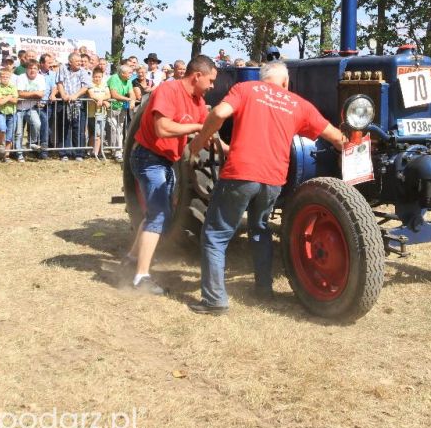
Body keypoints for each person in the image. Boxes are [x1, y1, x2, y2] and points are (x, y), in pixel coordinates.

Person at [187, 60, 345, 314]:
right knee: (260, 230)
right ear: (285, 82)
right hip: (273, 180)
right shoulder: (298, 103)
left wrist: (198, 144)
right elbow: (337, 138)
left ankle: (215, 300)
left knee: (215, 235)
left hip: (241, 173)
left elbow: (218, 114)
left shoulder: (246, 89)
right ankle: (263, 289)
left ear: (264, 79)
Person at [124, 54, 217, 295]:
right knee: (159, 215)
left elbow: (209, 137)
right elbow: (162, 128)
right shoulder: (168, 90)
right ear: (197, 76)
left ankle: (133, 259)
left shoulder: (197, 101)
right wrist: (198, 128)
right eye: (211, 80)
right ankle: (140, 278)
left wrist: (232, 150)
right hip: (148, 158)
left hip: (167, 161)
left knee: (157, 211)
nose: (213, 86)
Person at [56, 52, 91, 161]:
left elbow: (86, 86)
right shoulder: (62, 68)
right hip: (64, 103)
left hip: (78, 104)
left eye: (81, 61)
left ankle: (79, 153)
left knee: (79, 129)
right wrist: (63, 95)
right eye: (77, 61)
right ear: (70, 62)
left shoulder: (84, 71)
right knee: (64, 128)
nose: (80, 63)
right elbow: (59, 83)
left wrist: (75, 95)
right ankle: (64, 153)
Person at [14, 61, 46, 161]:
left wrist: (28, 94)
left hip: (30, 108)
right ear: (26, 69)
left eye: (35, 68)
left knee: (37, 123)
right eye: (30, 68)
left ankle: (31, 143)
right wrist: (34, 94)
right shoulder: (21, 77)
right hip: (19, 109)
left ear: (38, 69)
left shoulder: (40, 78)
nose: (32, 70)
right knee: (19, 133)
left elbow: (41, 94)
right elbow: (20, 93)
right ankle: (19, 154)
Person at [107, 63, 135, 161]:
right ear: (122, 73)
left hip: (121, 108)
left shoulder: (128, 81)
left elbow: (132, 93)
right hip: (110, 108)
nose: (131, 74)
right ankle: (116, 151)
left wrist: (132, 100)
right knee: (114, 129)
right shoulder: (114, 78)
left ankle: (118, 151)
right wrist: (127, 99)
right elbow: (114, 94)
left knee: (119, 129)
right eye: (129, 73)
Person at [0, 68, 18, 162]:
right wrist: (9, 96)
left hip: (12, 113)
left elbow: (15, 100)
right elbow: (0, 101)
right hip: (1, 112)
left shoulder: (13, 86)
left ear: (10, 77)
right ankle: (1, 144)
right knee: (2, 128)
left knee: (10, 136)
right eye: (3, 77)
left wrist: (5, 97)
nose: (5, 78)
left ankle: (6, 156)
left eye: (7, 77)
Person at [36, 53, 57, 158]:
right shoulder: (35, 73)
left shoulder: (53, 74)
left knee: (46, 127)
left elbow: (55, 86)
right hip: (36, 105)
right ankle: (41, 150)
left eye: (51, 62)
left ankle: (44, 150)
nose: (50, 65)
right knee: (40, 126)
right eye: (48, 63)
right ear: (42, 63)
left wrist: (53, 94)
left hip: (48, 105)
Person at [87, 66, 111, 160]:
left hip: (102, 113)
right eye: (96, 77)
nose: (97, 79)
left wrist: (102, 99)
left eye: (99, 77)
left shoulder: (104, 85)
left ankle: (97, 152)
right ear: (93, 77)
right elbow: (92, 95)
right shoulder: (90, 85)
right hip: (92, 114)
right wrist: (103, 101)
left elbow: (108, 95)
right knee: (95, 133)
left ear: (102, 77)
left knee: (100, 133)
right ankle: (92, 151)